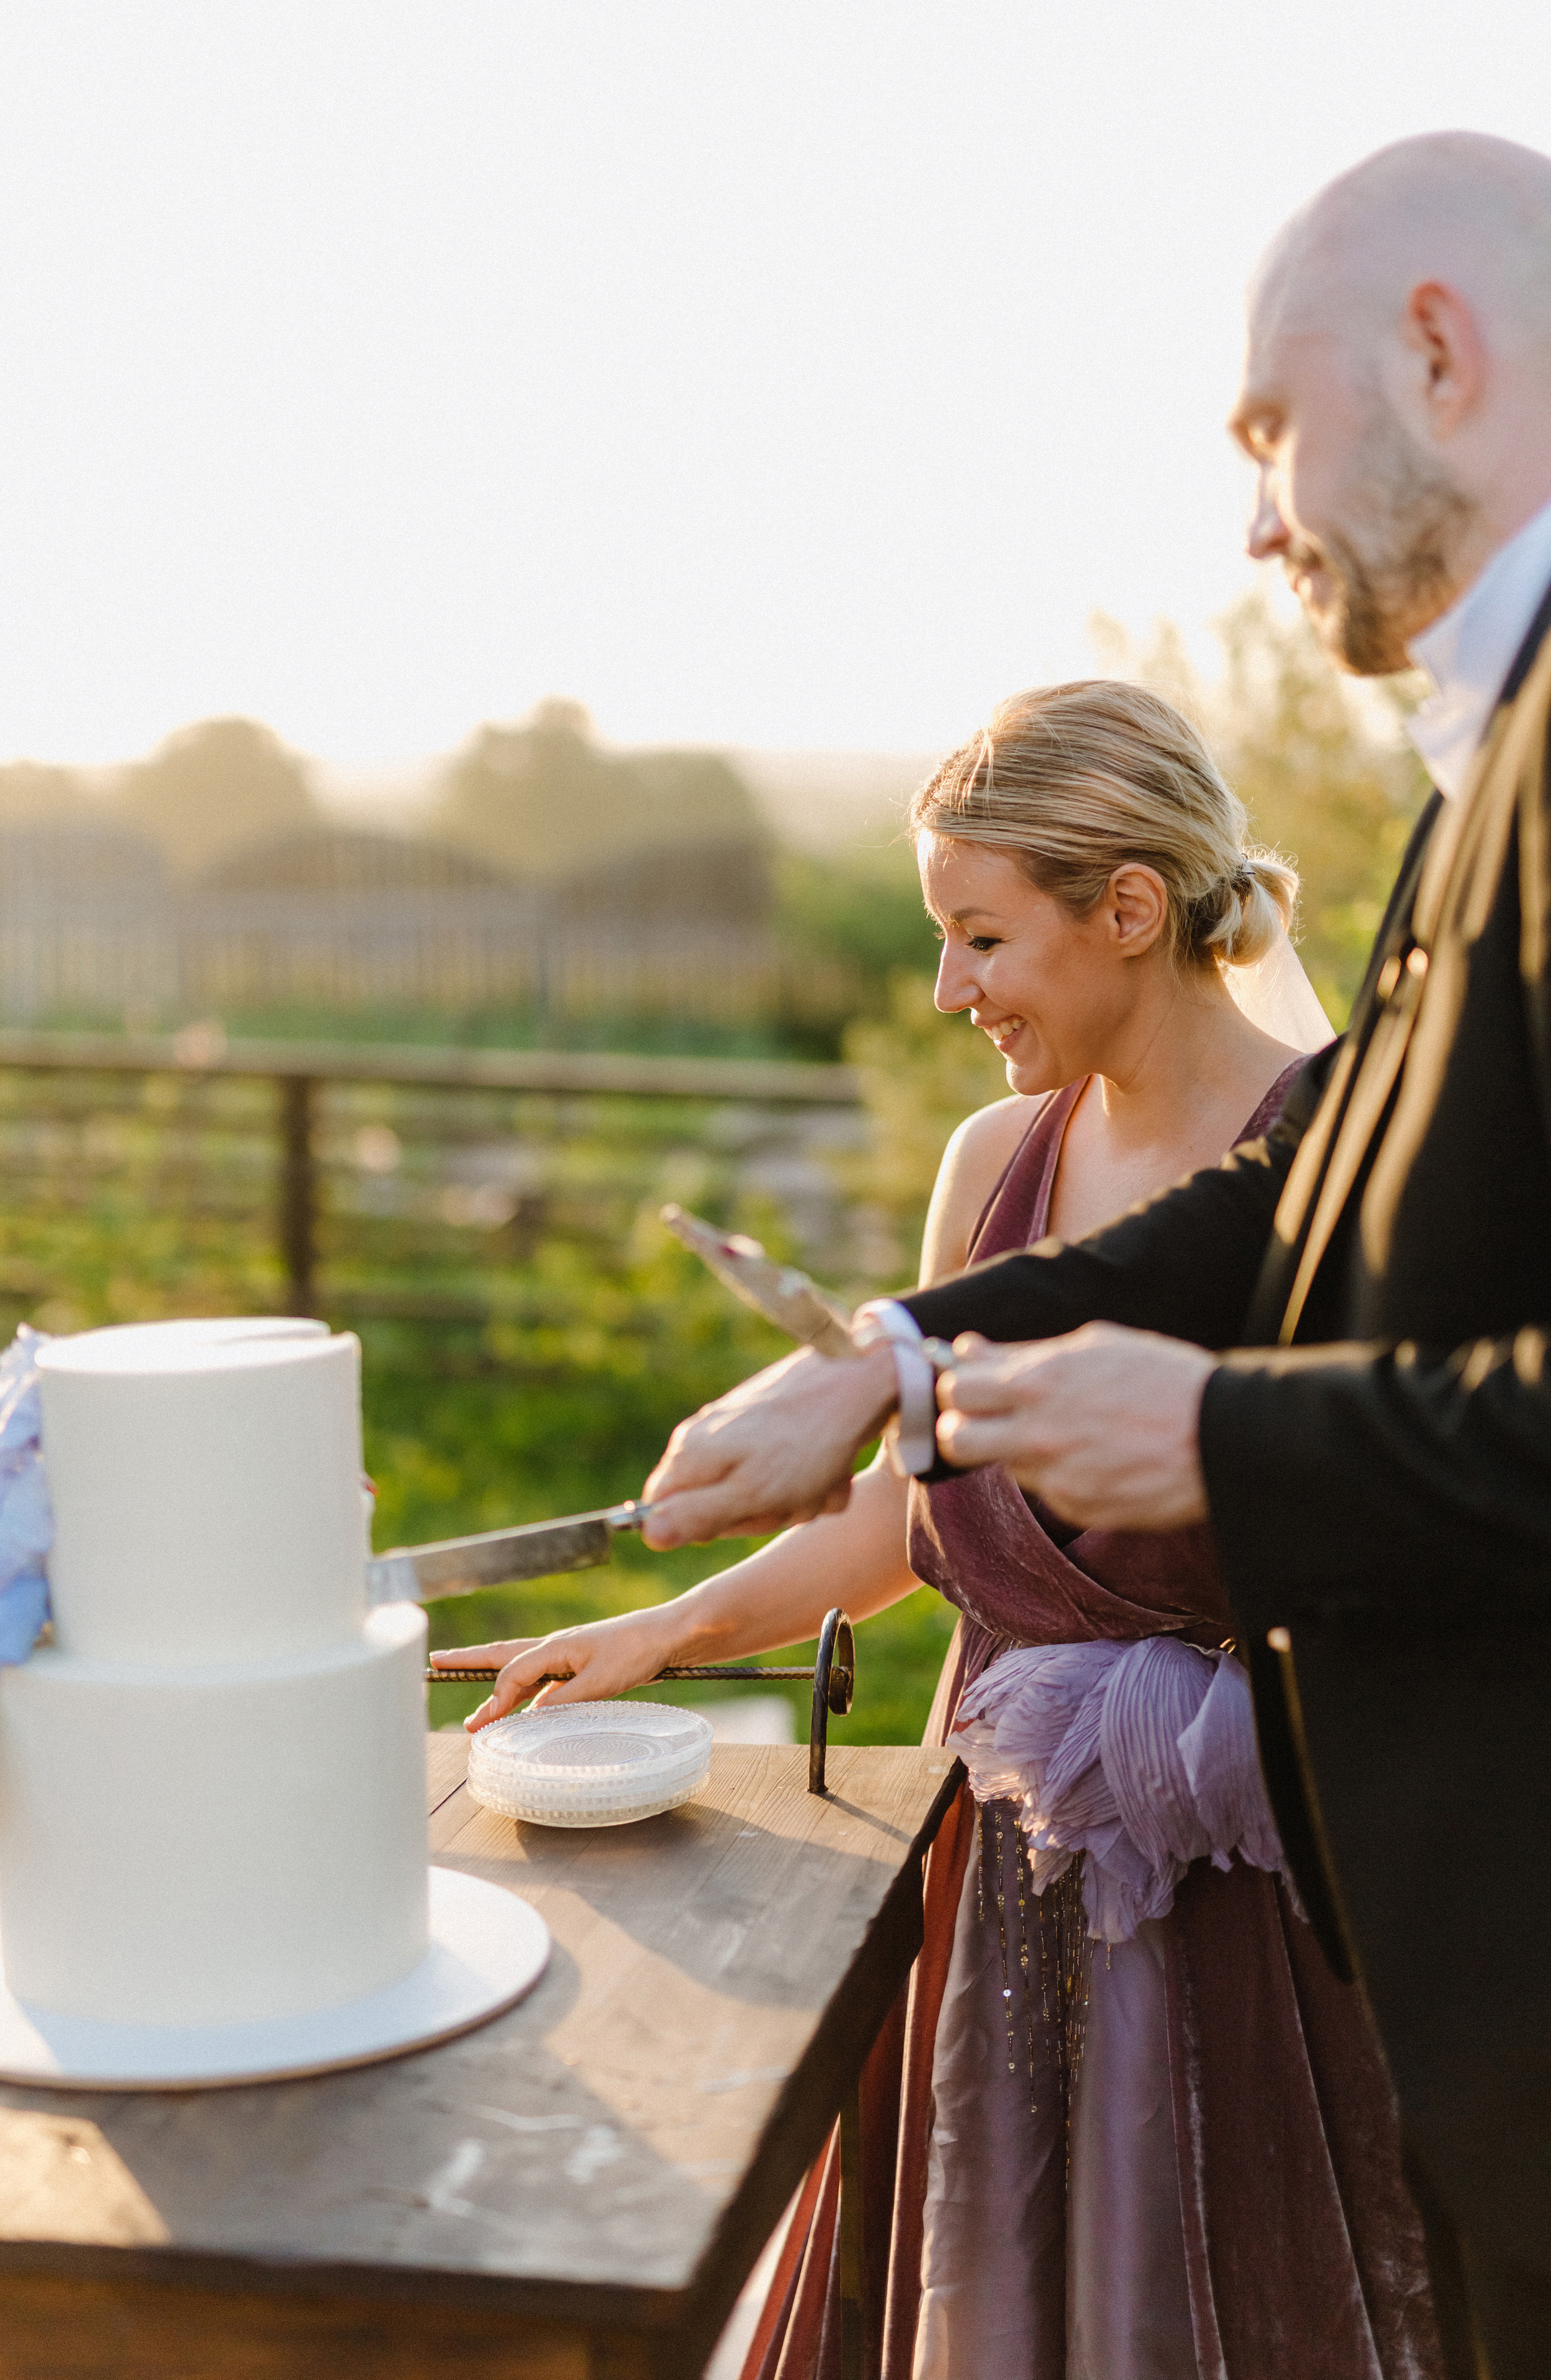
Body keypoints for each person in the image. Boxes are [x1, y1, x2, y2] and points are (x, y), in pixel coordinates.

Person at [632, 131, 1551, 2380]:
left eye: (1268, 430)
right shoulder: (1485, 769)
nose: (1257, 512)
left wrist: (1224, 1438)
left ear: (1438, 351)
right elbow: (1289, 1217)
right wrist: (896, 1356)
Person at [438, 683, 1442, 2379]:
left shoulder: (1344, 1160)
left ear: (1129, 911)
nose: (945, 991)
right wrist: (663, 1630)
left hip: (1270, 1915)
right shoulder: (995, 1163)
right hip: (1005, 1884)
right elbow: (921, 1525)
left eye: (980, 938)